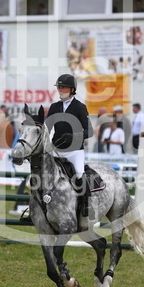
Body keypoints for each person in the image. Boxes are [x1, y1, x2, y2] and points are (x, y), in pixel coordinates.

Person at [47, 74, 93, 212]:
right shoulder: (54, 107)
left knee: (79, 173)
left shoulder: (80, 107)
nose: (60, 90)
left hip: (74, 151)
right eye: (59, 87)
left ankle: (86, 205)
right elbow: (46, 129)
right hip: (56, 149)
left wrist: (73, 136)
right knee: (43, 174)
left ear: (72, 89)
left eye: (63, 87)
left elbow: (89, 131)